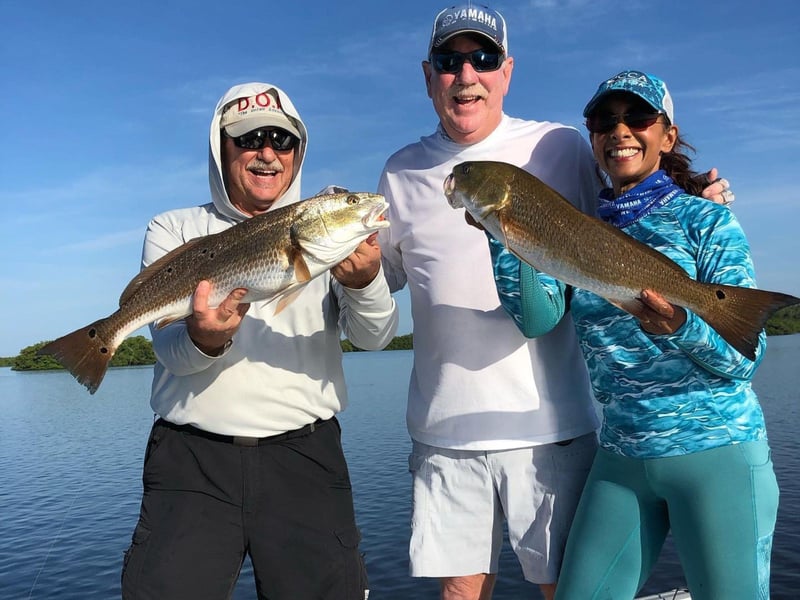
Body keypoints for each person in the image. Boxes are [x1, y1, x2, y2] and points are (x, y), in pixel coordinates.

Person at [377, 6, 732, 600]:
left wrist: (697, 197)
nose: (467, 74)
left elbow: (633, 197)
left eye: (484, 59)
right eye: (449, 61)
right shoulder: (400, 169)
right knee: (460, 593)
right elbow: (380, 279)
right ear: (429, 74)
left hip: (552, 425)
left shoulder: (560, 145)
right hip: (442, 430)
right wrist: (350, 270)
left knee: (561, 587)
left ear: (507, 71)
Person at [488, 70, 779, 600]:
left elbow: (745, 360)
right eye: (603, 120)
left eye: (638, 118)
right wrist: (506, 235)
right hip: (620, 459)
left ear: (667, 136)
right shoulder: (574, 229)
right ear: (592, 137)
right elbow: (536, 319)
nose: (619, 130)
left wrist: (681, 326)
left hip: (718, 454)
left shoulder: (706, 223)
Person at [120, 82, 399, 600]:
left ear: (298, 152)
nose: (267, 153)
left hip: (305, 459)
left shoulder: (324, 224)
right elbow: (170, 355)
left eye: (281, 140)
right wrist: (203, 340)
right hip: (191, 462)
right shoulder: (174, 228)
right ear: (220, 150)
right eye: (248, 140)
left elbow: (375, 338)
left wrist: (364, 282)